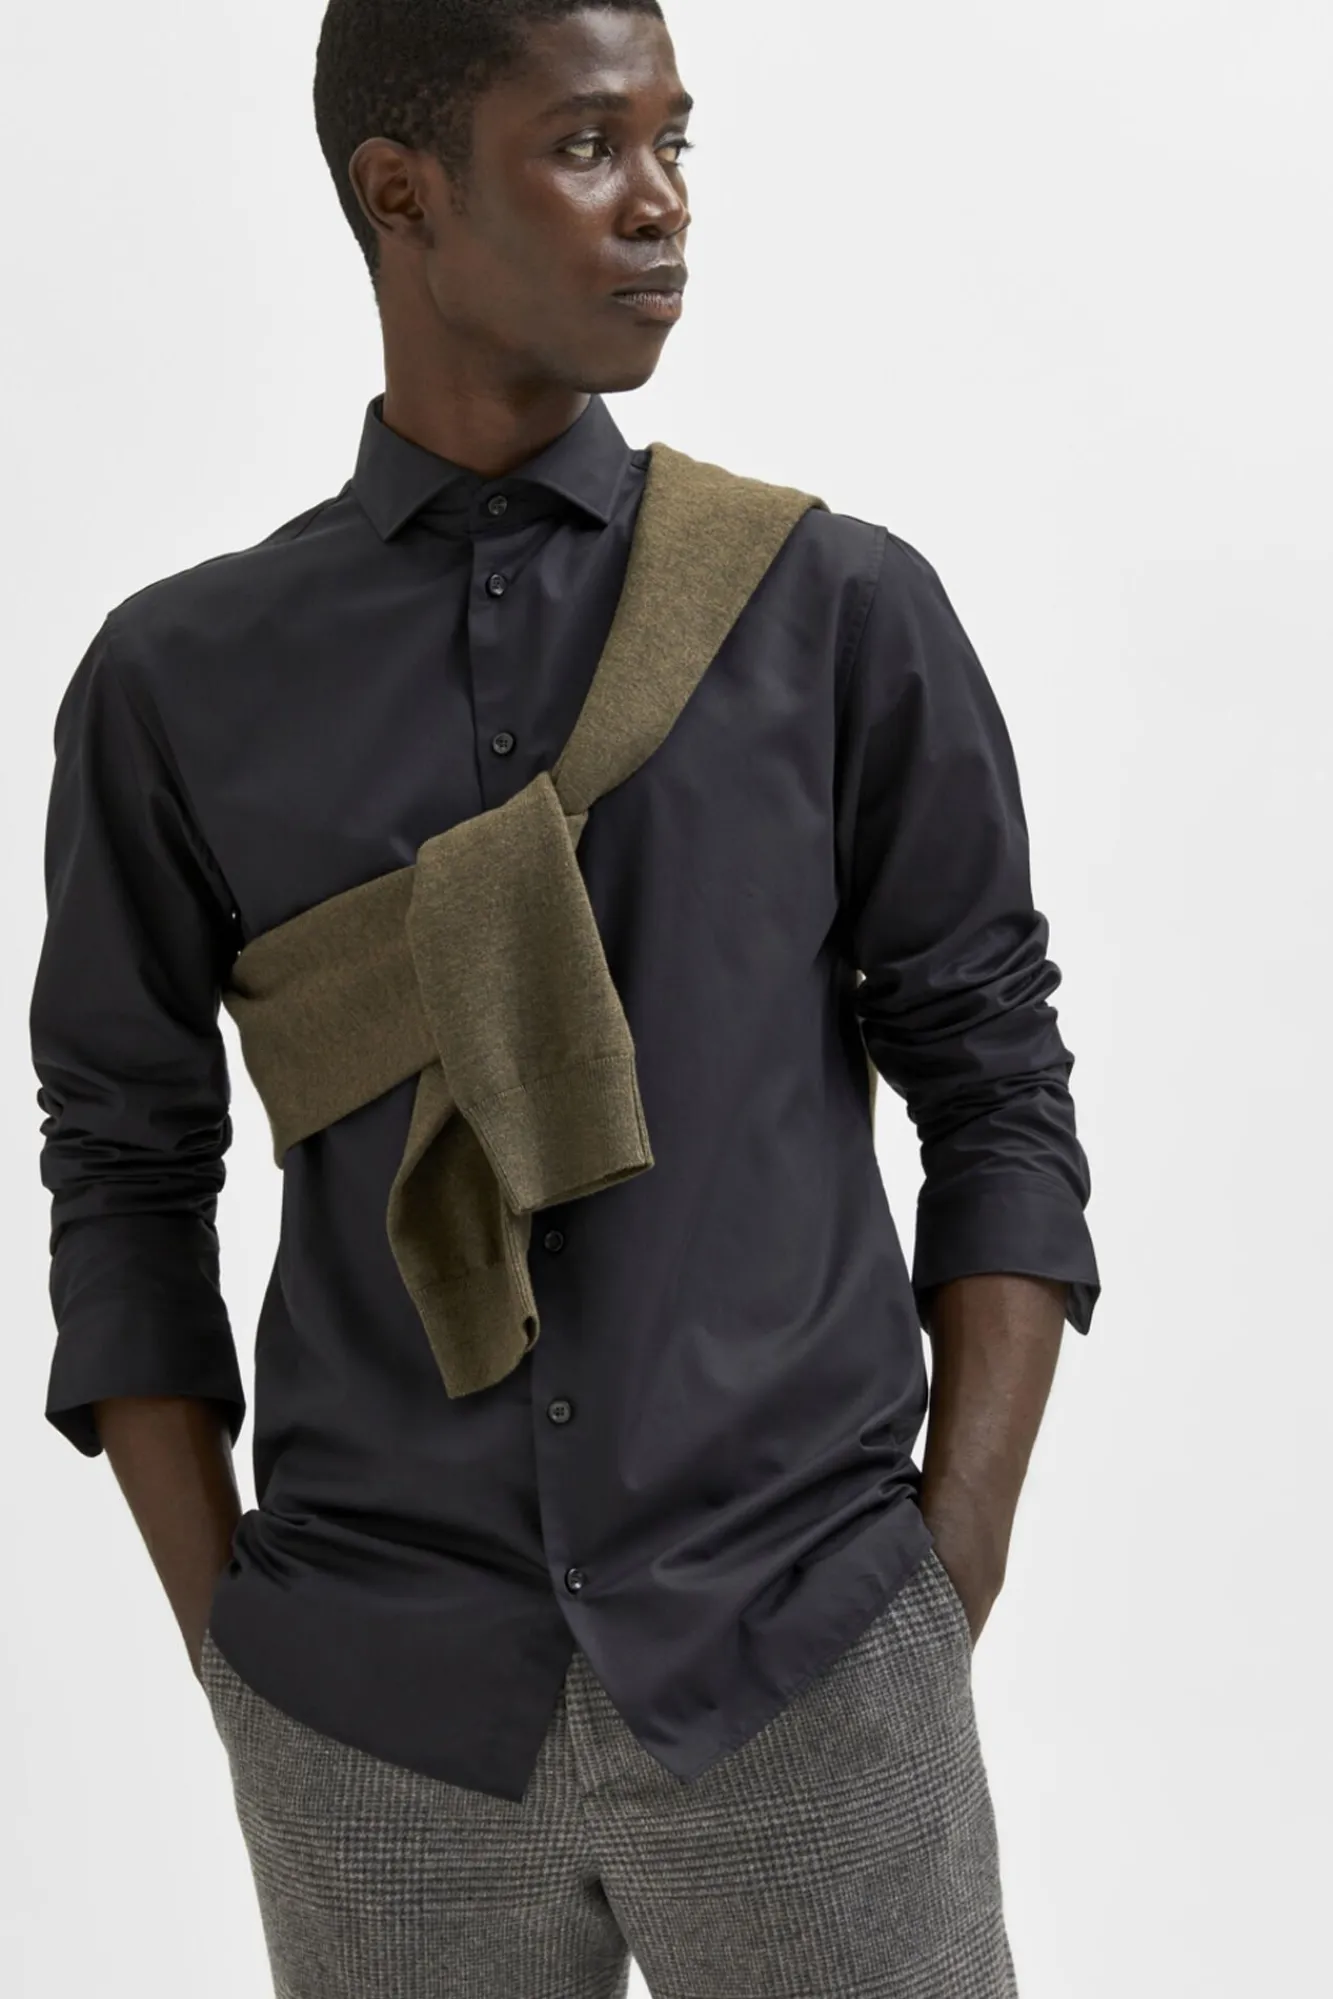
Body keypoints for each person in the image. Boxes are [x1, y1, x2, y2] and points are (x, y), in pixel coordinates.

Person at [27, 2, 1101, 1993]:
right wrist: (238, 1649)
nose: (664, 202)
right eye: (592, 144)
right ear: (403, 193)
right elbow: (124, 1167)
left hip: (805, 1659)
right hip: (377, 1709)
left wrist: (936, 1582)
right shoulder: (180, 682)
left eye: (679, 141)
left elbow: (999, 1087)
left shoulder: (831, 609)